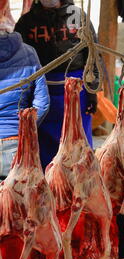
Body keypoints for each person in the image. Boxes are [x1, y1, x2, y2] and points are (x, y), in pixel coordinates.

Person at [14, 0, 98, 170]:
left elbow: (93, 53)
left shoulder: (77, 15)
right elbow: (20, 60)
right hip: (41, 90)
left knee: (78, 141)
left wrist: (93, 90)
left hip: (76, 88)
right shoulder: (26, 22)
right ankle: (50, 185)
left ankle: (81, 186)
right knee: (44, 146)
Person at [0, 16, 50, 180]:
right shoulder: (28, 52)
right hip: (17, 141)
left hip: (16, 139)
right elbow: (42, 103)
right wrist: (25, 127)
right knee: (19, 201)